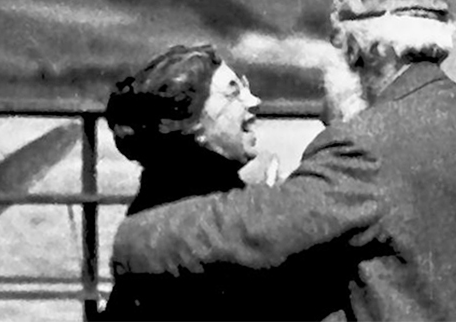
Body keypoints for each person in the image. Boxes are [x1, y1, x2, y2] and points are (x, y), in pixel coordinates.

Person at [112, 0, 456, 321]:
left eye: (341, 48)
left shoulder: (366, 146)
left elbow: (260, 228)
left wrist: (138, 239)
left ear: (364, 51)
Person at [98, 44, 310, 320]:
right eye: (234, 93)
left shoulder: (166, 188)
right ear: (194, 123)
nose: (253, 101)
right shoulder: (193, 207)